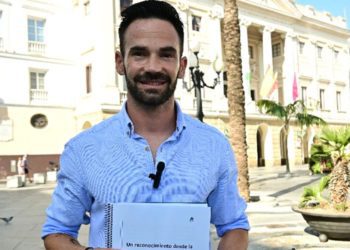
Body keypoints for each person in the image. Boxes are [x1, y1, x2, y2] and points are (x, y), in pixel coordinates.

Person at [42, 1, 249, 249]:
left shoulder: (214, 145)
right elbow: (57, 232)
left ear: (182, 67)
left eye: (166, 54)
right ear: (120, 62)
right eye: (139, 53)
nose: (153, 67)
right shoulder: (83, 149)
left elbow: (235, 226)